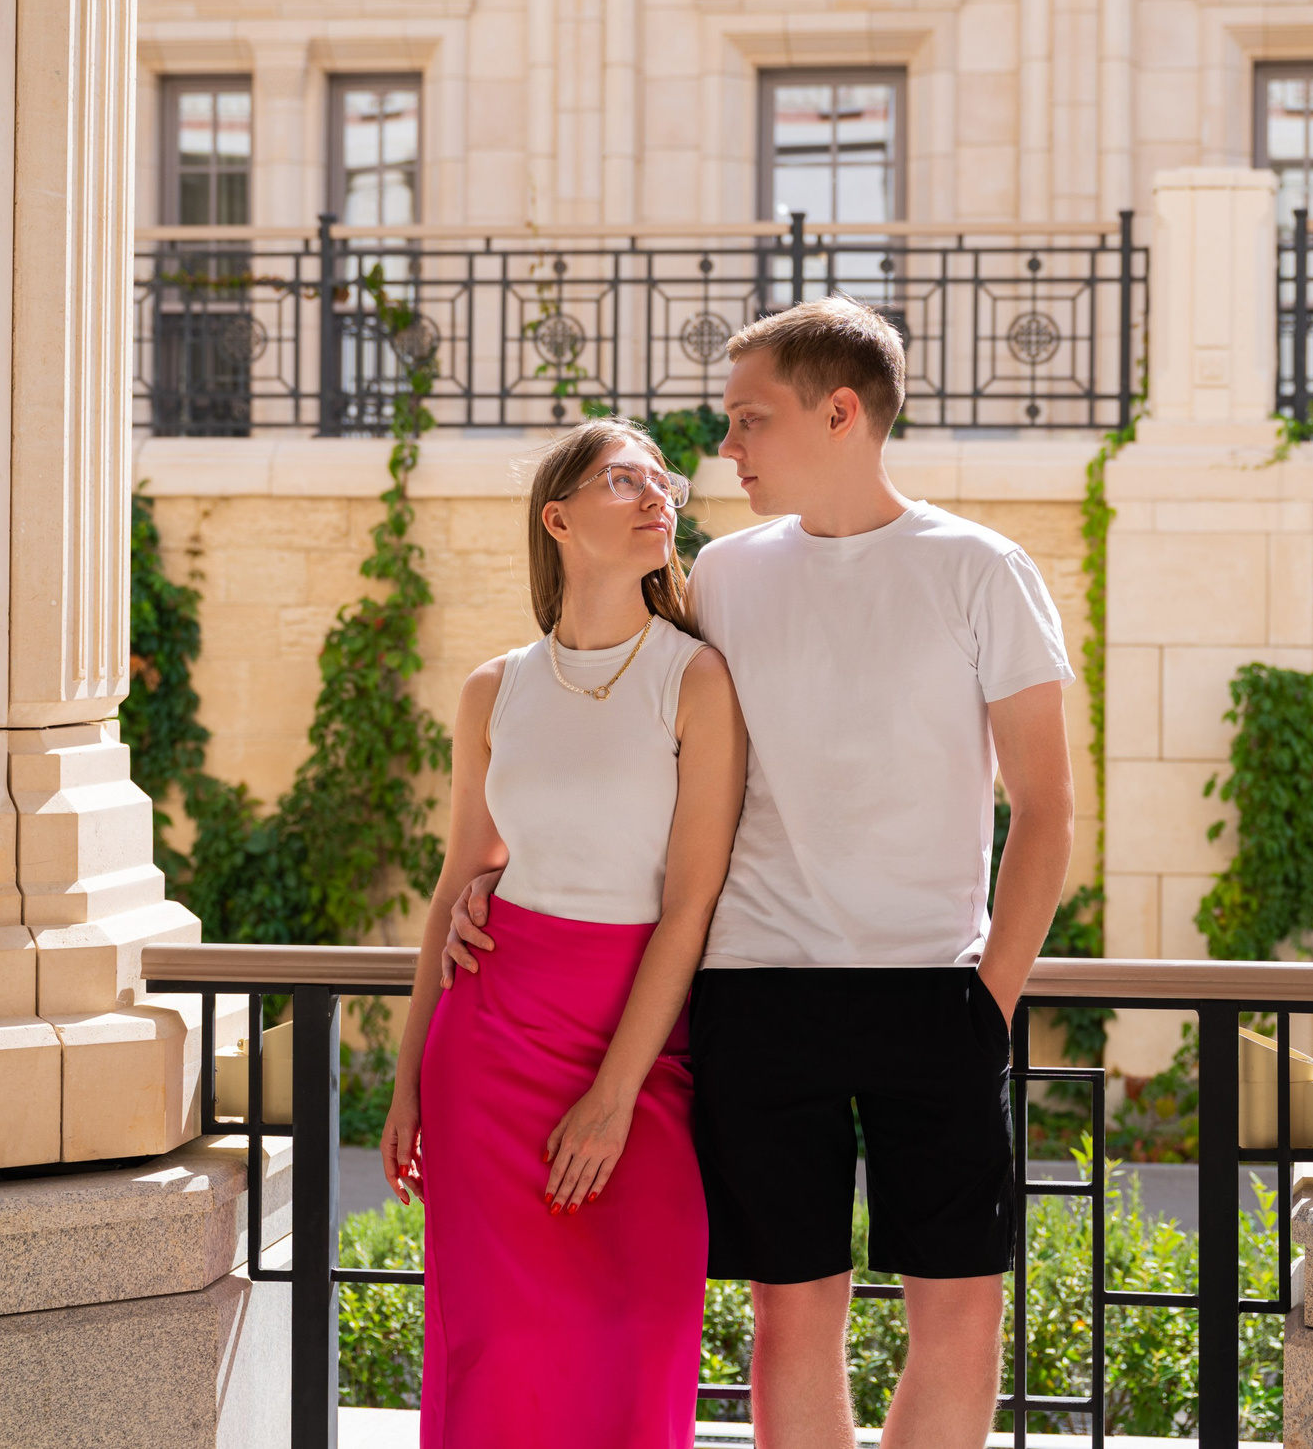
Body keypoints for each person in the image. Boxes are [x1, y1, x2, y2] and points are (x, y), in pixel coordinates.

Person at [448, 299, 1078, 1449]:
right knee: (791, 1314)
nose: (724, 446)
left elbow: (1045, 810)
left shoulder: (981, 569)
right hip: (753, 994)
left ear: (838, 414)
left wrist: (988, 1000)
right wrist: (505, 868)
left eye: (749, 419)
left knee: (957, 1310)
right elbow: (616, 720)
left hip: (934, 992)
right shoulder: (724, 576)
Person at [380, 417, 748, 1449]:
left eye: (663, 482)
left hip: (637, 1047)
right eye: (624, 480)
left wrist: (613, 1096)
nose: (657, 496)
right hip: (487, 1049)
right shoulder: (494, 689)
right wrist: (406, 1081)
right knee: (496, 1351)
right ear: (558, 519)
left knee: (640, 1338)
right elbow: (460, 879)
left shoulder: (696, 678)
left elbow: (690, 904)